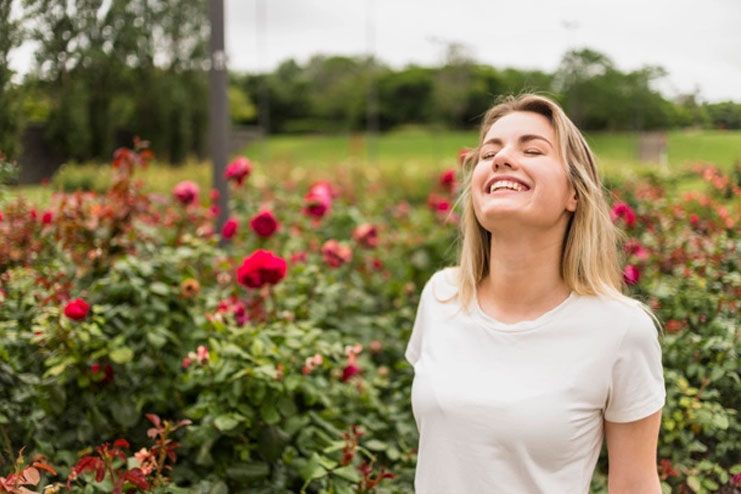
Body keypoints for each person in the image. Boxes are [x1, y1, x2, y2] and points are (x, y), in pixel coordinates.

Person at [405, 94, 666, 493]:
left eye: (532, 149)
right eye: (489, 152)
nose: (501, 159)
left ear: (573, 194)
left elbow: (635, 485)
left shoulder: (622, 330)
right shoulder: (441, 296)